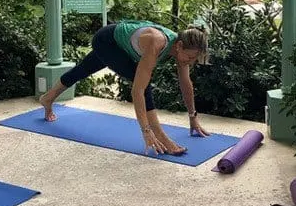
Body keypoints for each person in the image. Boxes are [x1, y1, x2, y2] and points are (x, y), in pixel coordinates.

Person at [39, 20, 210, 155]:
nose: (191, 61)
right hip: (107, 41)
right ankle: (161, 137)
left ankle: (48, 98)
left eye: (194, 59)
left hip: (119, 45)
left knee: (82, 70)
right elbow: (138, 91)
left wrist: (192, 116)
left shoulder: (182, 50)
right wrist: (146, 130)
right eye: (190, 57)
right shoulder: (157, 42)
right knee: (144, 84)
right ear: (179, 45)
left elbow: (186, 83)